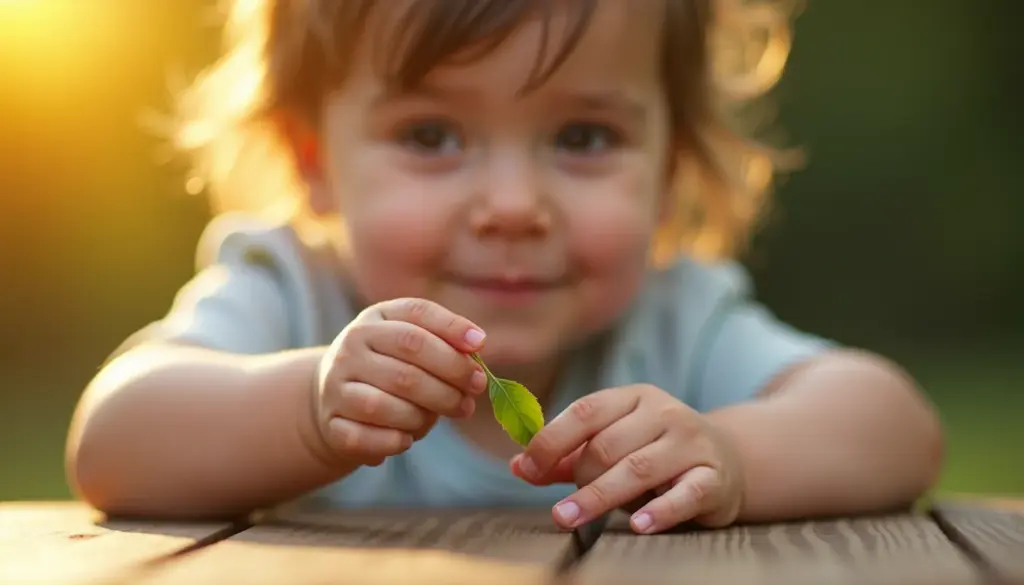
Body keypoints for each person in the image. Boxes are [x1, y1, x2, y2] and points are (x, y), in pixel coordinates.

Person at [64, 0, 944, 535]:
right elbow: (112, 440)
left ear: (668, 165)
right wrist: (307, 407)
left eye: (582, 137)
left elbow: (893, 423)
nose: (515, 205)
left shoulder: (674, 319)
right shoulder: (292, 292)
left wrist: (732, 455)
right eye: (431, 136)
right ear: (314, 162)